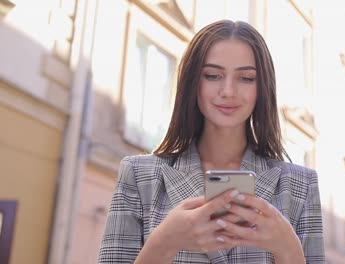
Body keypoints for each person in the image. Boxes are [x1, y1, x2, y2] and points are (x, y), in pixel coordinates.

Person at [98, 20, 325, 264]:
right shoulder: (139, 175)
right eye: (213, 75)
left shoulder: (301, 185)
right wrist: (163, 242)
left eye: (246, 78)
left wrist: (288, 249)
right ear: (193, 82)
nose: (228, 91)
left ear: (262, 88)